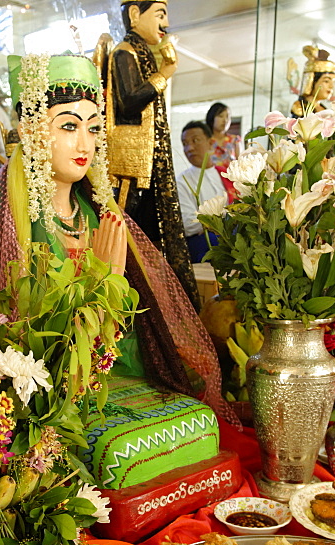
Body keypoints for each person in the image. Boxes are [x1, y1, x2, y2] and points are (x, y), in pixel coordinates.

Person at [0, 53, 233, 490]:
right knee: (111, 449)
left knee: (197, 419)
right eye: (68, 126)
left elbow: (128, 337)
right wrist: (104, 279)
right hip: (53, 399)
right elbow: (23, 342)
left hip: (114, 376)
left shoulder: (97, 216)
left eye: (92, 127)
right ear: (33, 132)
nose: (85, 143)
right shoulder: (9, 221)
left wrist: (114, 288)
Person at [103, 0, 201, 312]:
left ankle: (160, 301)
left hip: (150, 164)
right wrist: (165, 73)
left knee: (152, 237)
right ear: (135, 14)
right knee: (132, 237)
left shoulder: (143, 54)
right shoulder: (124, 53)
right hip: (132, 167)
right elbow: (129, 101)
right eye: (160, 14)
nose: (166, 23)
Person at [177, 121, 224, 263]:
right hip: (204, 243)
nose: (189, 148)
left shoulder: (226, 174)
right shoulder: (182, 181)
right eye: (185, 143)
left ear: (210, 143)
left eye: (195, 141)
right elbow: (187, 223)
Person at [291, 45, 335, 117]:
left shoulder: (325, 110)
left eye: (333, 82)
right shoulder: (299, 108)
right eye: (326, 81)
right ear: (311, 81)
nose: (331, 86)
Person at [205, 102, 241, 167]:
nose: (225, 120)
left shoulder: (234, 140)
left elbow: (240, 164)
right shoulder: (206, 141)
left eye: (228, 117)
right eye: (221, 116)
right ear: (212, 118)